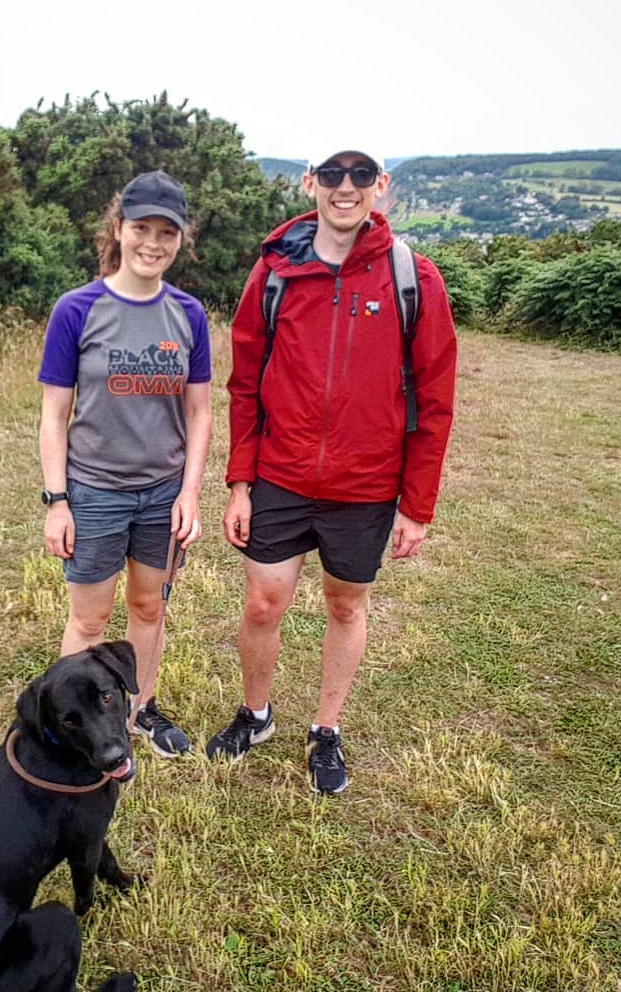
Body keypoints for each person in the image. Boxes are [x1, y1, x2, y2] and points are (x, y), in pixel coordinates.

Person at [205, 146, 457, 795]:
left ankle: (325, 730)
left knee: (346, 606)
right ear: (310, 183)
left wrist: (417, 506)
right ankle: (256, 715)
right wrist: (240, 483)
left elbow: (435, 400)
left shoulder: (413, 277)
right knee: (263, 603)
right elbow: (244, 384)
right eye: (333, 174)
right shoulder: (274, 272)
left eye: (361, 175)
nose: (347, 186)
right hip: (280, 475)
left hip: (366, 486)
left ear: (382, 186)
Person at [38, 171, 212, 758]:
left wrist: (189, 494)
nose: (152, 243)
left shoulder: (188, 314)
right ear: (119, 229)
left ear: (180, 239)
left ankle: (141, 711)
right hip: (94, 493)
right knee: (90, 621)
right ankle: (69, 732)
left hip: (162, 495)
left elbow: (200, 412)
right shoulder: (76, 310)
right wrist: (58, 502)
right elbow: (54, 414)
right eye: (141, 228)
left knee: (148, 606)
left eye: (167, 232)